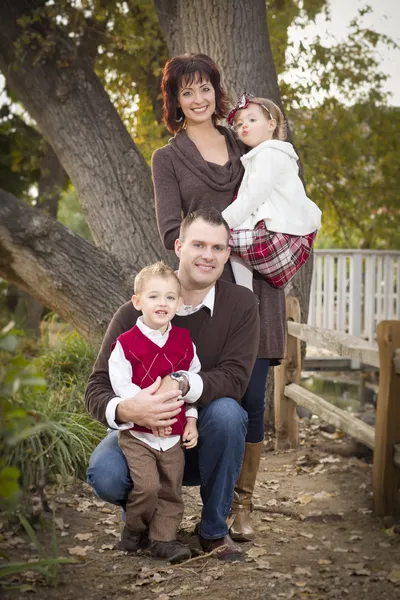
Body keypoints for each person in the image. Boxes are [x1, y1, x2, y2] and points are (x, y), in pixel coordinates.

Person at [152, 53, 286, 541]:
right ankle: (173, 499)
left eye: (205, 88)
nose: (198, 98)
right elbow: (172, 230)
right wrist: (214, 250)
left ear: (215, 90)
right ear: (175, 101)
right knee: (205, 395)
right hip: (204, 295)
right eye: (187, 91)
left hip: (259, 289)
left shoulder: (244, 141)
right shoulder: (167, 159)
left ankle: (239, 506)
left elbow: (280, 192)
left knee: (251, 400)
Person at [86, 209, 260, 561]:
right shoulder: (132, 313)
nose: (207, 255)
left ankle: (212, 531)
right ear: (178, 246)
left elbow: (235, 378)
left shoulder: (240, 305)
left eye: (217, 247)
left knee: (228, 413)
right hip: (141, 435)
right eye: (198, 244)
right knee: (105, 473)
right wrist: (127, 408)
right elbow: (97, 387)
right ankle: (145, 522)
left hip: (198, 437)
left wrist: (181, 384)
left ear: (227, 254)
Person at [108, 262, 200, 563]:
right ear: (137, 302)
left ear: (180, 303)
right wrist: (149, 414)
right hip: (138, 435)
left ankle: (164, 539)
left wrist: (190, 419)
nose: (163, 303)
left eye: (170, 297)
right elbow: (121, 386)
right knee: (147, 487)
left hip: (172, 437)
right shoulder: (125, 345)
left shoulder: (185, 342)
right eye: (154, 296)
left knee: (171, 489)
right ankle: (135, 528)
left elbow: (192, 384)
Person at [222, 93, 322, 291]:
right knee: (233, 242)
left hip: (281, 232)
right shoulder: (268, 154)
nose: (244, 126)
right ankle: (245, 291)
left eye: (252, 120)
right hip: (286, 231)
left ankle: (244, 292)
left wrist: (222, 221)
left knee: (225, 238)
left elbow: (253, 195)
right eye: (239, 124)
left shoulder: (269, 153)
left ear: (271, 125)